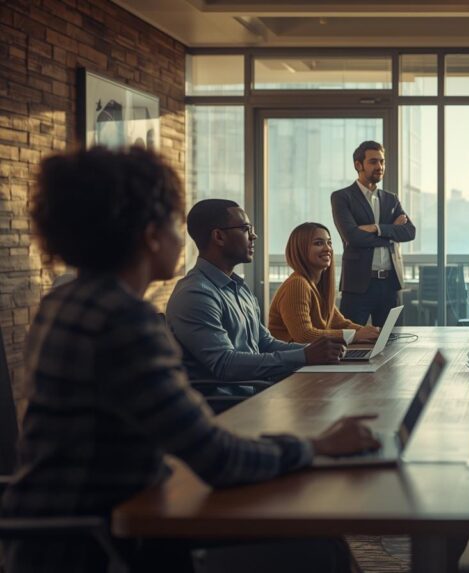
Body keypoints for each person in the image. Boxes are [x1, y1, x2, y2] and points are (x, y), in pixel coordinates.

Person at [0, 147, 380, 573]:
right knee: (316, 541)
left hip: (76, 525)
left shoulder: (68, 301)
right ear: (148, 232)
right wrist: (317, 446)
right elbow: (216, 458)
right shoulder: (122, 320)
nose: (183, 238)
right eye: (174, 222)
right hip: (98, 542)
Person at [167, 199, 348, 384]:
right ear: (219, 237)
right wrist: (305, 356)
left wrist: (317, 351)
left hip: (259, 388)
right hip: (234, 402)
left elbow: (265, 344)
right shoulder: (196, 294)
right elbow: (225, 364)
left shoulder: (239, 288)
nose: (254, 236)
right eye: (245, 229)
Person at [331, 141, 416, 327]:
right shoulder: (342, 197)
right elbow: (352, 237)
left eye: (382, 162)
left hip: (390, 285)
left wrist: (377, 228)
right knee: (350, 342)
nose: (380, 167)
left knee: (392, 343)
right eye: (373, 162)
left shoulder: (391, 199)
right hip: (357, 285)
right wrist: (391, 230)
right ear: (358, 165)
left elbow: (410, 231)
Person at [269, 222, 379, 345]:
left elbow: (339, 323)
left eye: (329, 243)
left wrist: (371, 332)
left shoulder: (318, 285)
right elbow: (304, 335)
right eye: (318, 243)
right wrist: (354, 335)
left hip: (309, 359)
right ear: (300, 249)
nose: (327, 249)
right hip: (292, 362)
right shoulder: (297, 284)